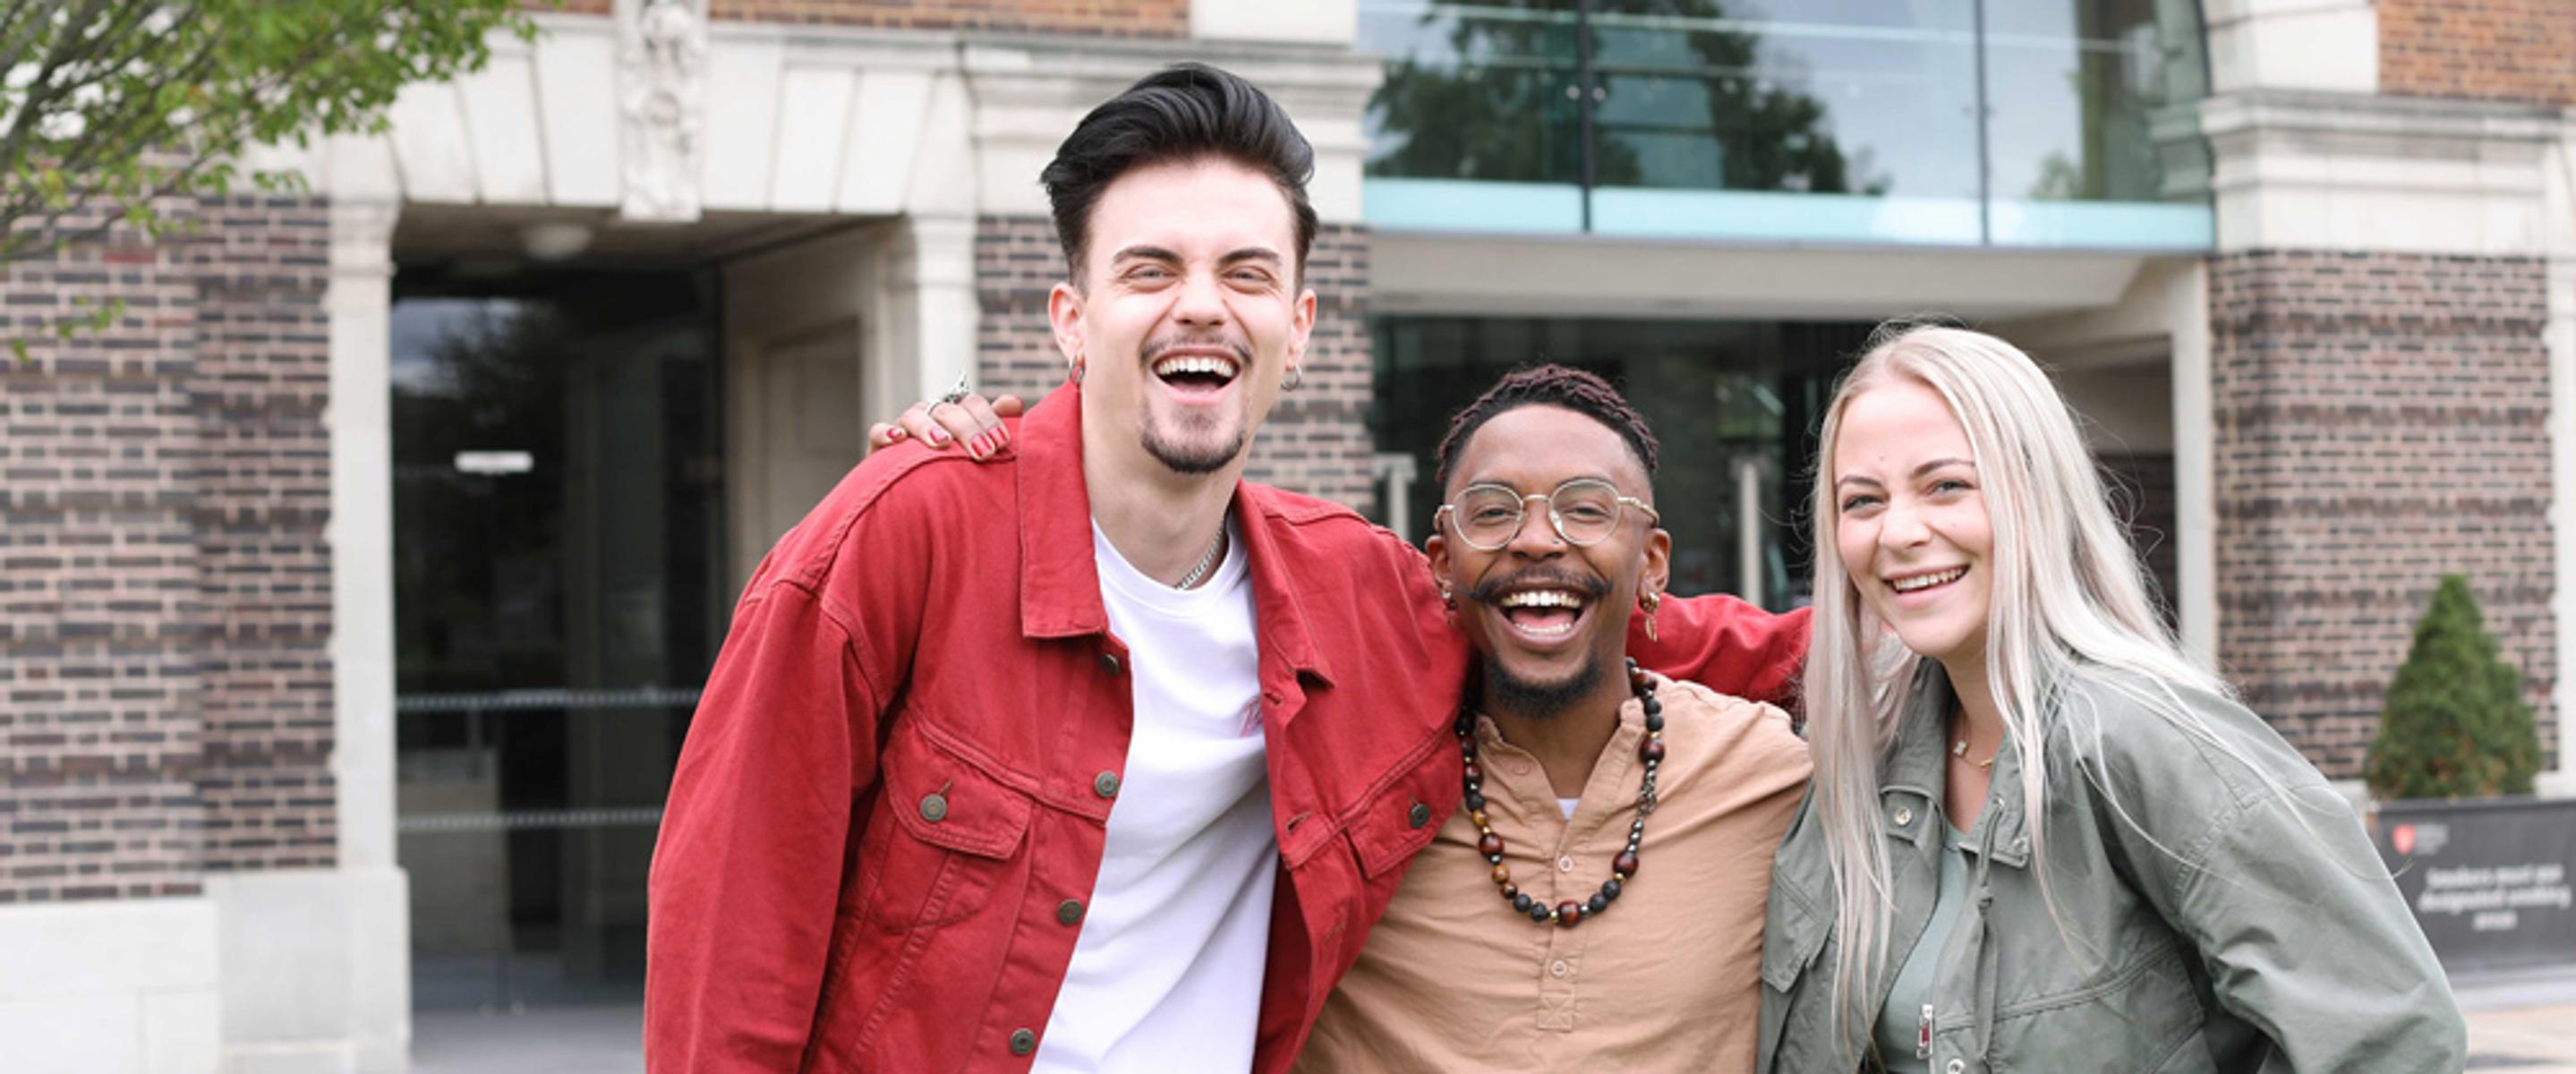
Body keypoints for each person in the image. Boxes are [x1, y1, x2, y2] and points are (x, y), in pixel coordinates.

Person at [645, 64, 1804, 1074]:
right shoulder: (905, 537)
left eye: (1245, 274)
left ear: (1296, 328)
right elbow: (731, 944)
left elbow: (1605, 617)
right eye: (1150, 270)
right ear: (1071, 317)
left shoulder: (1356, 591)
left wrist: (1897, 610)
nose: (1200, 306)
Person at [1759, 325, 2465, 1072]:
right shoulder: (1861, 759)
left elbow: (2392, 1039)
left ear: (2038, 495)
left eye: (1947, 486)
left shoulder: (2147, 742)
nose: (1898, 532)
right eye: (1862, 502)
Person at [1291, 366, 1812, 1071]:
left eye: (1586, 509)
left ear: (1652, 563)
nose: (1536, 539)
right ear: (1442, 564)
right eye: (1492, 511)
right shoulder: (1348, 784)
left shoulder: (1773, 777)